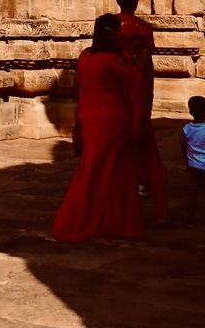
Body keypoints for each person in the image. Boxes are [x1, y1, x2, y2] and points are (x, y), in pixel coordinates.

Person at [53, 13, 144, 242]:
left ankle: (99, 220)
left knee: (94, 170)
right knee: (112, 173)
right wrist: (126, 47)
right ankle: (109, 221)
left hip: (90, 120)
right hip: (113, 120)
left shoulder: (85, 57)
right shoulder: (113, 60)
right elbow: (136, 77)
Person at [113, 0, 169, 224]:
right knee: (142, 141)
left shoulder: (111, 26)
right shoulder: (143, 28)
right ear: (135, 0)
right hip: (137, 87)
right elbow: (146, 64)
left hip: (116, 90)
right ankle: (145, 186)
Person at [181, 95, 205, 225]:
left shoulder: (186, 129)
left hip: (193, 165)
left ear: (190, 111)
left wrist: (187, 162)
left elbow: (183, 147)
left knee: (193, 191)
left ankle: (190, 218)